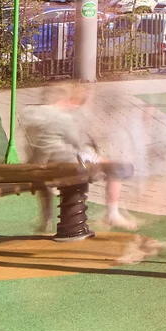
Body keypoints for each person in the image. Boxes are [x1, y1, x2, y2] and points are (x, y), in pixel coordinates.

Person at [19, 82, 124, 231]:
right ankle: (112, 213)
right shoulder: (63, 118)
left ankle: (46, 217)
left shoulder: (30, 114)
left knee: (45, 176)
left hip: (36, 167)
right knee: (115, 167)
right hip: (67, 165)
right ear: (62, 99)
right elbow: (77, 143)